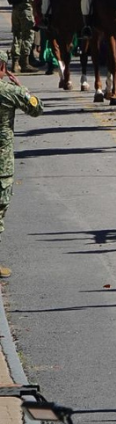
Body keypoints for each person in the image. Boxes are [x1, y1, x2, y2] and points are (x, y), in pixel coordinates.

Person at [0, 60, 42, 276]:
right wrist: (22, 89)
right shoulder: (9, 92)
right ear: (2, 68)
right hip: (2, 162)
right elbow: (37, 108)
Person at [5, 0, 37, 73]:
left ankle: (15, 62)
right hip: (26, 10)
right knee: (28, 36)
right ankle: (25, 62)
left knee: (16, 36)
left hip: (15, 10)